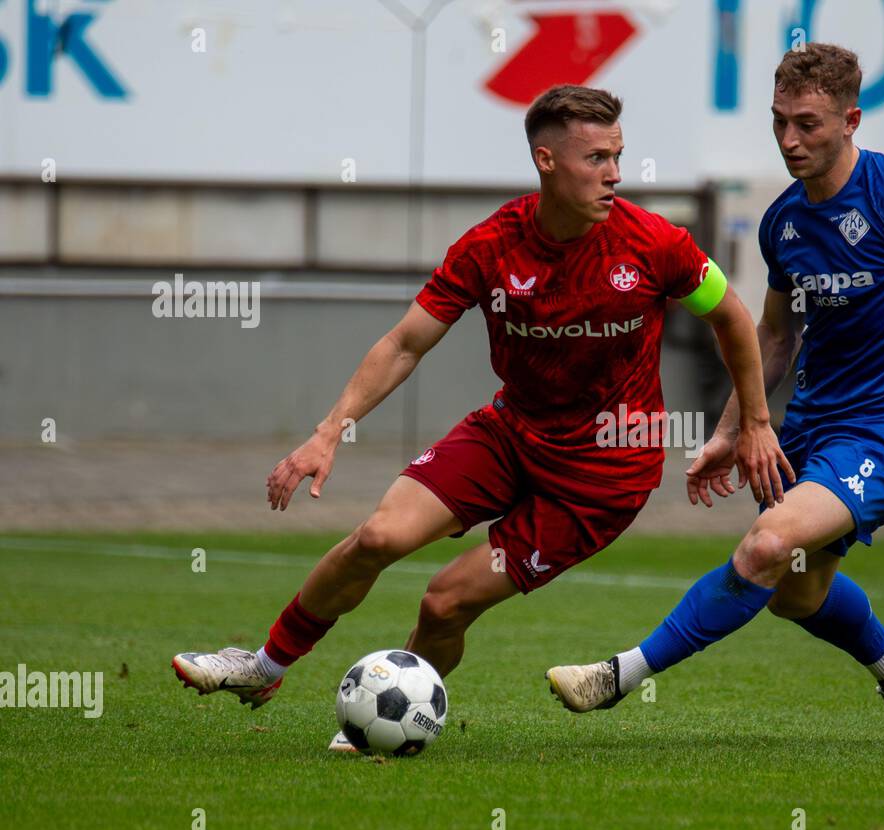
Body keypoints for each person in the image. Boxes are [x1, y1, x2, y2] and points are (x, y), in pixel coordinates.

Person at [172, 84, 791, 751]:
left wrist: (751, 424)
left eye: (618, 157)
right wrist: (327, 433)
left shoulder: (653, 244)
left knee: (444, 602)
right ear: (546, 161)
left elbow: (732, 316)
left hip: (602, 475)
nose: (615, 175)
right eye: (595, 159)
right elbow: (406, 342)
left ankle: (395, 722)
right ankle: (262, 667)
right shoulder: (493, 245)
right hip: (510, 432)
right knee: (378, 538)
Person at [545, 45, 884, 741]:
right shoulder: (784, 224)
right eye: (778, 122)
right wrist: (731, 428)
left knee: (765, 547)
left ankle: (616, 676)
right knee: (796, 594)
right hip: (809, 432)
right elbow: (774, 339)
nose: (788, 140)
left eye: (806, 124)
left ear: (851, 119)